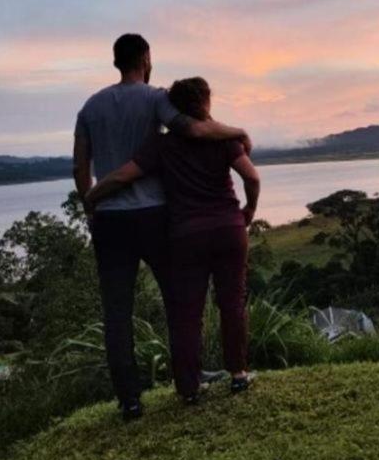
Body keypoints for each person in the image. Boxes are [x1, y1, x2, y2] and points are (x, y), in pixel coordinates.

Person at [73, 34, 253, 421]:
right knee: (180, 303)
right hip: (156, 215)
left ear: (115, 61)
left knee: (117, 312)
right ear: (147, 58)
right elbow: (196, 129)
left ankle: (130, 400)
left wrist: (91, 205)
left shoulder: (89, 107)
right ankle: (191, 376)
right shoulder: (156, 98)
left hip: (110, 218)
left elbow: (80, 167)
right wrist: (238, 132)